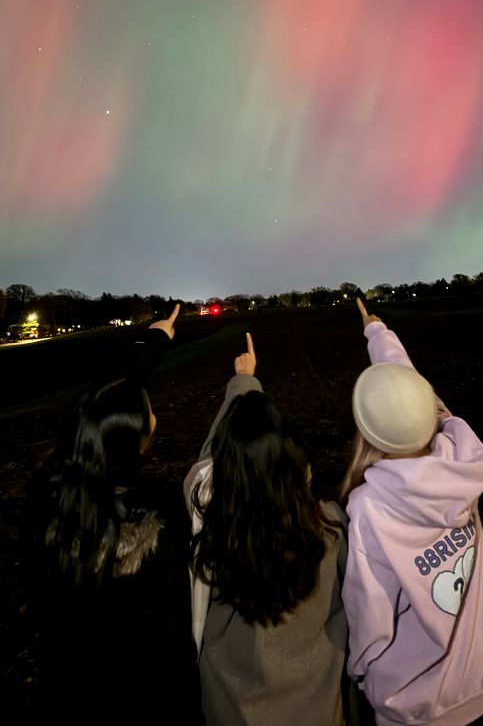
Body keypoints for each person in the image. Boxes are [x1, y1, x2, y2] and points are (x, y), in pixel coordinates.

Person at [23, 304, 203, 723]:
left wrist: (152, 343)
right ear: (136, 440)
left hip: (70, 697)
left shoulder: (46, 501)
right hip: (153, 701)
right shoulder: (158, 514)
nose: (154, 416)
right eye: (149, 414)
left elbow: (93, 412)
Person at [340, 298, 483, 725]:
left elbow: (369, 616)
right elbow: (416, 391)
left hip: (419, 709)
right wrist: (378, 331)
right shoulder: (461, 459)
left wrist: (364, 677)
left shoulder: (369, 508)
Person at [185, 332, 356, 726]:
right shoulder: (331, 525)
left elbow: (208, 466)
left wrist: (243, 385)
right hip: (320, 710)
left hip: (230, 709)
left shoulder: (213, 529)